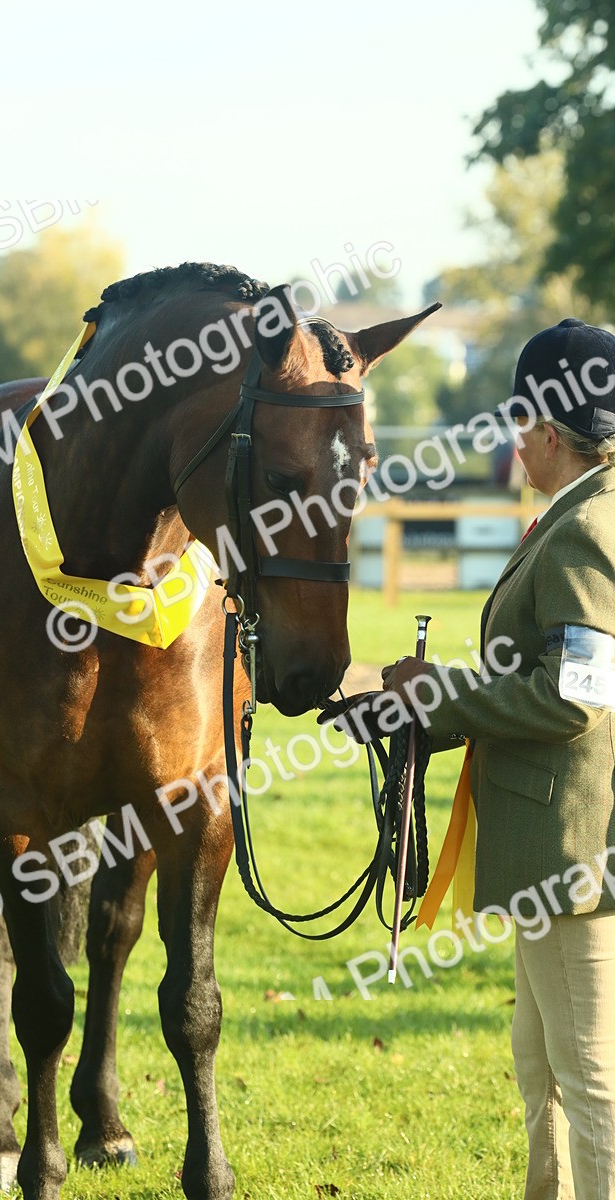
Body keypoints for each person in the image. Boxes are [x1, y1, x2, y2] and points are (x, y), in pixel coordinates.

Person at [371, 319, 615, 1200]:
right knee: (540, 1068)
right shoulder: (584, 513)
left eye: (521, 423)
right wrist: (416, 711)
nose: (513, 440)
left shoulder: (586, 528)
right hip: (558, 842)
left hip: (569, 846)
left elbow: (573, 698)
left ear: (550, 431)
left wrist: (435, 697)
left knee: (586, 1080)